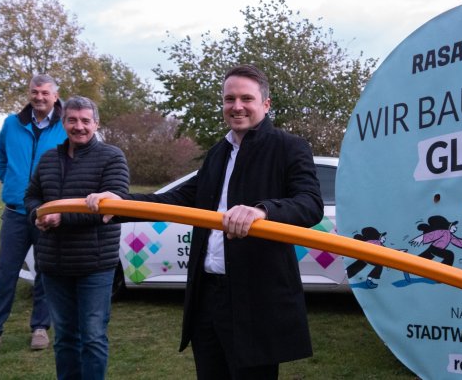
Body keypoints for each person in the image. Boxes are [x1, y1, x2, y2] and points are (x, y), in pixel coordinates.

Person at [86, 64, 323, 379]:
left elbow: (310, 204)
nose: (236, 106)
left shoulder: (289, 148)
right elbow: (173, 201)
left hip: (254, 300)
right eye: (229, 99)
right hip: (207, 298)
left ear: (265, 104)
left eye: (246, 99)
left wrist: (263, 211)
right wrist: (120, 203)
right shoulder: (217, 155)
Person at [25, 96, 129, 379]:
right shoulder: (48, 159)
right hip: (53, 264)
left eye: (85, 120)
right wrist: (38, 214)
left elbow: (112, 206)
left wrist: (61, 217)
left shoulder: (112, 156)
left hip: (94, 265)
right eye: (72, 120)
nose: (79, 126)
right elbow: (32, 196)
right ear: (63, 123)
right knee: (64, 338)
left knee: (93, 337)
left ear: (96, 124)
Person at [0, 74, 66, 354]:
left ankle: (40, 327)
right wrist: (13, 184)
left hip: (47, 212)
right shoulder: (11, 124)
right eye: (34, 92)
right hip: (15, 212)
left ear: (55, 96)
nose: (39, 97)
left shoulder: (65, 127)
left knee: (45, 272)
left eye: (44, 93)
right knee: (6, 272)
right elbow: (0, 158)